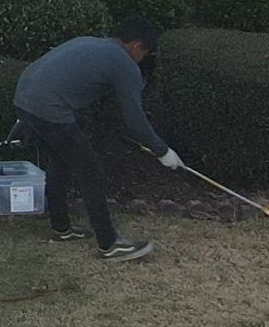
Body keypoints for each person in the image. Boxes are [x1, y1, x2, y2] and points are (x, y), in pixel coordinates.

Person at [11, 17, 183, 262]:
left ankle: (61, 228)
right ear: (136, 46)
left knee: (60, 162)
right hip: (48, 109)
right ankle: (109, 243)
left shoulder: (91, 44)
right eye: (144, 53)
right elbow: (135, 119)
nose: (142, 59)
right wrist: (163, 151)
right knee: (90, 170)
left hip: (24, 99)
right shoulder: (123, 63)